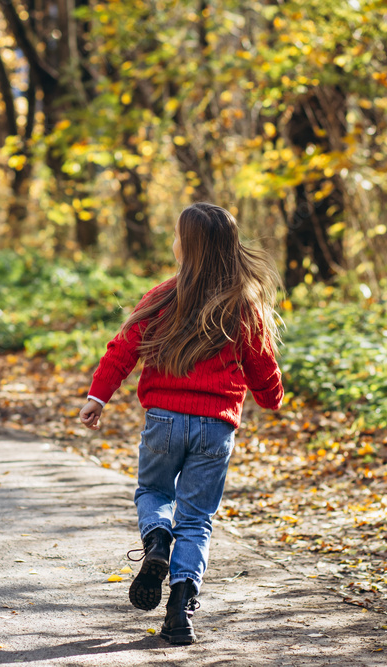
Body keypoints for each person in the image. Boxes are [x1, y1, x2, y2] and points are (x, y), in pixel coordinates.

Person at [78, 202, 283, 645]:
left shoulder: (162, 296)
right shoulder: (243, 305)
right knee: (197, 520)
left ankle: (156, 543)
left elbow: (122, 350)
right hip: (215, 427)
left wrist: (98, 397)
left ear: (185, 248)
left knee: (153, 491)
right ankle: (180, 611)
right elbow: (262, 366)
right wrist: (271, 398)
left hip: (164, 421)